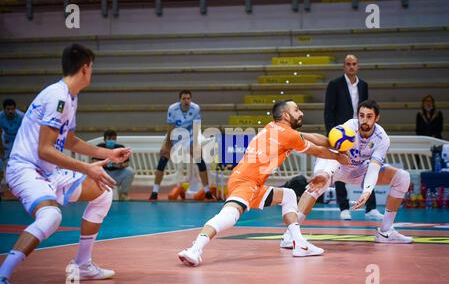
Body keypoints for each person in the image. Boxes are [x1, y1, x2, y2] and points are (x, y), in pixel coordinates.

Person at [0, 44, 131, 284]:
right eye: (91, 67)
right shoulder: (57, 97)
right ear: (85, 68)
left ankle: (83, 265)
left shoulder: (70, 96)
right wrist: (86, 168)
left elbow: (68, 141)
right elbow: (44, 150)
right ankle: (1, 277)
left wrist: (107, 154)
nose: (91, 72)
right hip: (25, 169)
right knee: (51, 217)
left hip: (48, 171)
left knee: (102, 192)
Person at [177, 99, 350, 267]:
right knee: (229, 216)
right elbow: (317, 150)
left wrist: (334, 142)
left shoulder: (273, 127)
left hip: (250, 181)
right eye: (296, 110)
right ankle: (194, 249)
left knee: (289, 196)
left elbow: (311, 137)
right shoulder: (288, 135)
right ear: (285, 115)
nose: (301, 113)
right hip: (247, 182)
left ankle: (300, 244)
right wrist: (339, 156)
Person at [280, 100, 413, 250]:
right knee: (318, 184)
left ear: (377, 118)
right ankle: (290, 234)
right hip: (337, 162)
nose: (364, 119)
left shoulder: (382, 139)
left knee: (403, 177)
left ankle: (385, 232)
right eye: (361, 115)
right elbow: (334, 154)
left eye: (369, 116)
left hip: (359, 169)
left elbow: (374, 168)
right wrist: (326, 174)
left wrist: (367, 191)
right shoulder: (349, 127)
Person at [324, 54, 382, 221]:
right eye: (348, 64)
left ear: (358, 66)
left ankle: (371, 208)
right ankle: (343, 207)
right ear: (344, 66)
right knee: (340, 166)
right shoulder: (335, 85)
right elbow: (329, 111)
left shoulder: (363, 85)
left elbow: (368, 107)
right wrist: (332, 135)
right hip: (342, 134)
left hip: (361, 132)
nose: (351, 67)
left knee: (367, 166)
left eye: (354, 64)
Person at [149, 90, 213, 201]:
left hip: (190, 137)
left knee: (199, 158)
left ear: (191, 99)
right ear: (180, 100)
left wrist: (196, 144)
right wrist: (167, 145)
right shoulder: (172, 109)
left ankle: (207, 192)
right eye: (184, 98)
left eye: (188, 98)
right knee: (163, 158)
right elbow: (170, 127)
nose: (186, 101)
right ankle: (154, 192)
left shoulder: (195, 108)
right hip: (175, 136)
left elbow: (197, 127)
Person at [94, 130, 135, 201]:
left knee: (130, 172)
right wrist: (106, 163)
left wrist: (120, 165)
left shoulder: (120, 148)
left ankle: (123, 194)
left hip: (117, 173)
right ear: (105, 139)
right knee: (94, 171)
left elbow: (126, 163)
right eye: (109, 138)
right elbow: (94, 161)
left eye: (113, 139)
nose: (111, 140)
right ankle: (97, 194)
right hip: (104, 173)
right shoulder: (99, 147)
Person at [0, 98, 24, 199]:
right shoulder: (0, 116)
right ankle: (3, 187)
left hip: (18, 139)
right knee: (3, 163)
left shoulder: (22, 117)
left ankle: (21, 188)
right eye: (8, 109)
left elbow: (25, 133)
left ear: (15, 109)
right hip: (6, 140)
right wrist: (1, 149)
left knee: (20, 163)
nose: (10, 111)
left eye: (12, 109)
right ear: (4, 109)